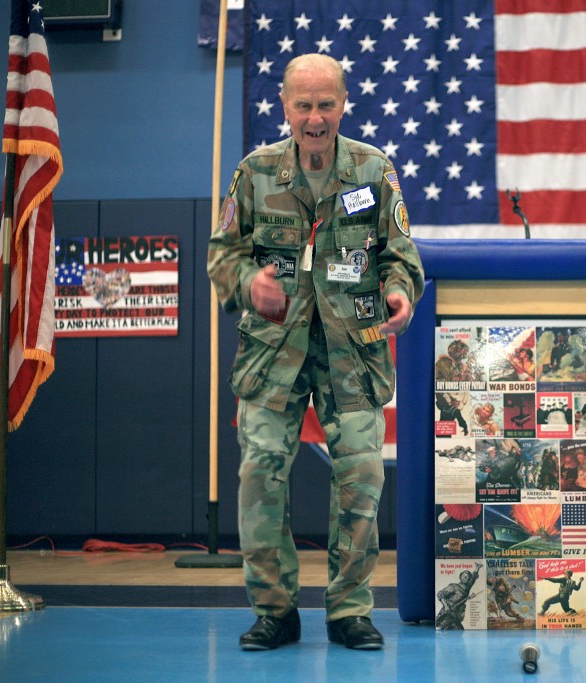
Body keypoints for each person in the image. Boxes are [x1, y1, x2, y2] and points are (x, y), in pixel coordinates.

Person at [207, 53, 424, 652]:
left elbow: (401, 256)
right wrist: (249, 284)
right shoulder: (255, 173)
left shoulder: (374, 171)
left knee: (360, 478)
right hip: (272, 355)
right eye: (303, 105)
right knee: (260, 477)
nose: (315, 117)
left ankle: (349, 610)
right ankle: (275, 611)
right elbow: (222, 255)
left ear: (343, 104)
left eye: (326, 103)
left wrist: (399, 292)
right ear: (285, 108)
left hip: (352, 353)